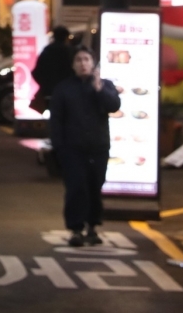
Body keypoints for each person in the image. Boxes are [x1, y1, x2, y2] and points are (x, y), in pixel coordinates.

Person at [49, 46, 121, 247]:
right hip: (72, 148)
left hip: (98, 147)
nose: (83, 64)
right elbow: (56, 121)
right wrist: (59, 147)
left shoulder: (105, 85)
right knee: (76, 187)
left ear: (93, 63)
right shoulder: (63, 88)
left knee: (94, 186)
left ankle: (93, 227)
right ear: (73, 65)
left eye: (86, 59)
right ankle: (75, 229)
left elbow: (114, 105)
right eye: (79, 60)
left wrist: (99, 88)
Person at [32, 25, 75, 109]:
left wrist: (44, 85)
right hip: (68, 93)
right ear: (66, 37)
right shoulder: (70, 51)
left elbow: (36, 72)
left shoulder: (47, 50)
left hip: (49, 93)